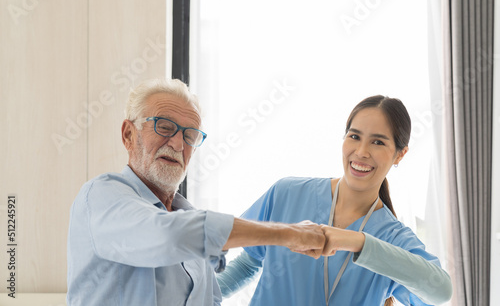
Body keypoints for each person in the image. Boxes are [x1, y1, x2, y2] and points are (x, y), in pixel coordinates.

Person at [66, 78, 326, 306]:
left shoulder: (187, 215)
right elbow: (170, 236)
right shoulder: (101, 196)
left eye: (189, 135)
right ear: (129, 135)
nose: (178, 143)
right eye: (165, 127)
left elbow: (211, 297)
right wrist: (289, 234)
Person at [217, 95, 453, 306]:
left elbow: (441, 292)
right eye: (354, 136)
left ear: (400, 154)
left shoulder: (394, 239)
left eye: (378, 142)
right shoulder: (286, 193)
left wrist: (358, 242)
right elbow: (248, 264)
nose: (361, 151)